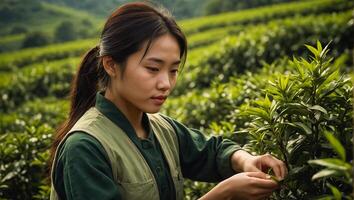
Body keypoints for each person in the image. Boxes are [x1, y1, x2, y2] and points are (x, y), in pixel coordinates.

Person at [49, 2, 287, 200]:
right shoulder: (84, 148)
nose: (166, 83)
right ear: (111, 64)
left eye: (173, 70)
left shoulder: (161, 127)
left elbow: (210, 152)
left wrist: (246, 160)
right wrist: (223, 195)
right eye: (153, 68)